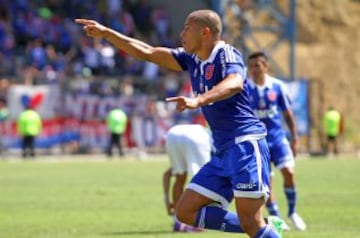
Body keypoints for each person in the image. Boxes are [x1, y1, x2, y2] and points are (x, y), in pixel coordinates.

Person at [76, 9, 281, 237]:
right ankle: (265, 231)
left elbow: (235, 83)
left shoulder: (226, 54)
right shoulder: (191, 59)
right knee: (185, 212)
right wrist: (107, 34)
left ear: (205, 32)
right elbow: (149, 52)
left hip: (245, 146)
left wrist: (198, 100)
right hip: (223, 151)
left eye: (187, 28)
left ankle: (261, 230)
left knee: (252, 223)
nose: (182, 33)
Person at [247, 51, 306, 231]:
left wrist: (295, 138)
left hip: (278, 138)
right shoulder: (245, 89)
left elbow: (287, 114)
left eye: (257, 65)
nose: (254, 70)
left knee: (288, 172)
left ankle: (293, 212)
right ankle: (277, 218)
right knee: (267, 184)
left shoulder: (277, 86)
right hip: (258, 143)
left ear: (266, 67)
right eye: (251, 66)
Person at [163, 124, 211, 232]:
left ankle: (178, 222)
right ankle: (196, 222)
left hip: (172, 133)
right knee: (203, 181)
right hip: (196, 138)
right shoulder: (213, 139)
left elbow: (167, 174)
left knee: (180, 178)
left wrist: (166, 199)